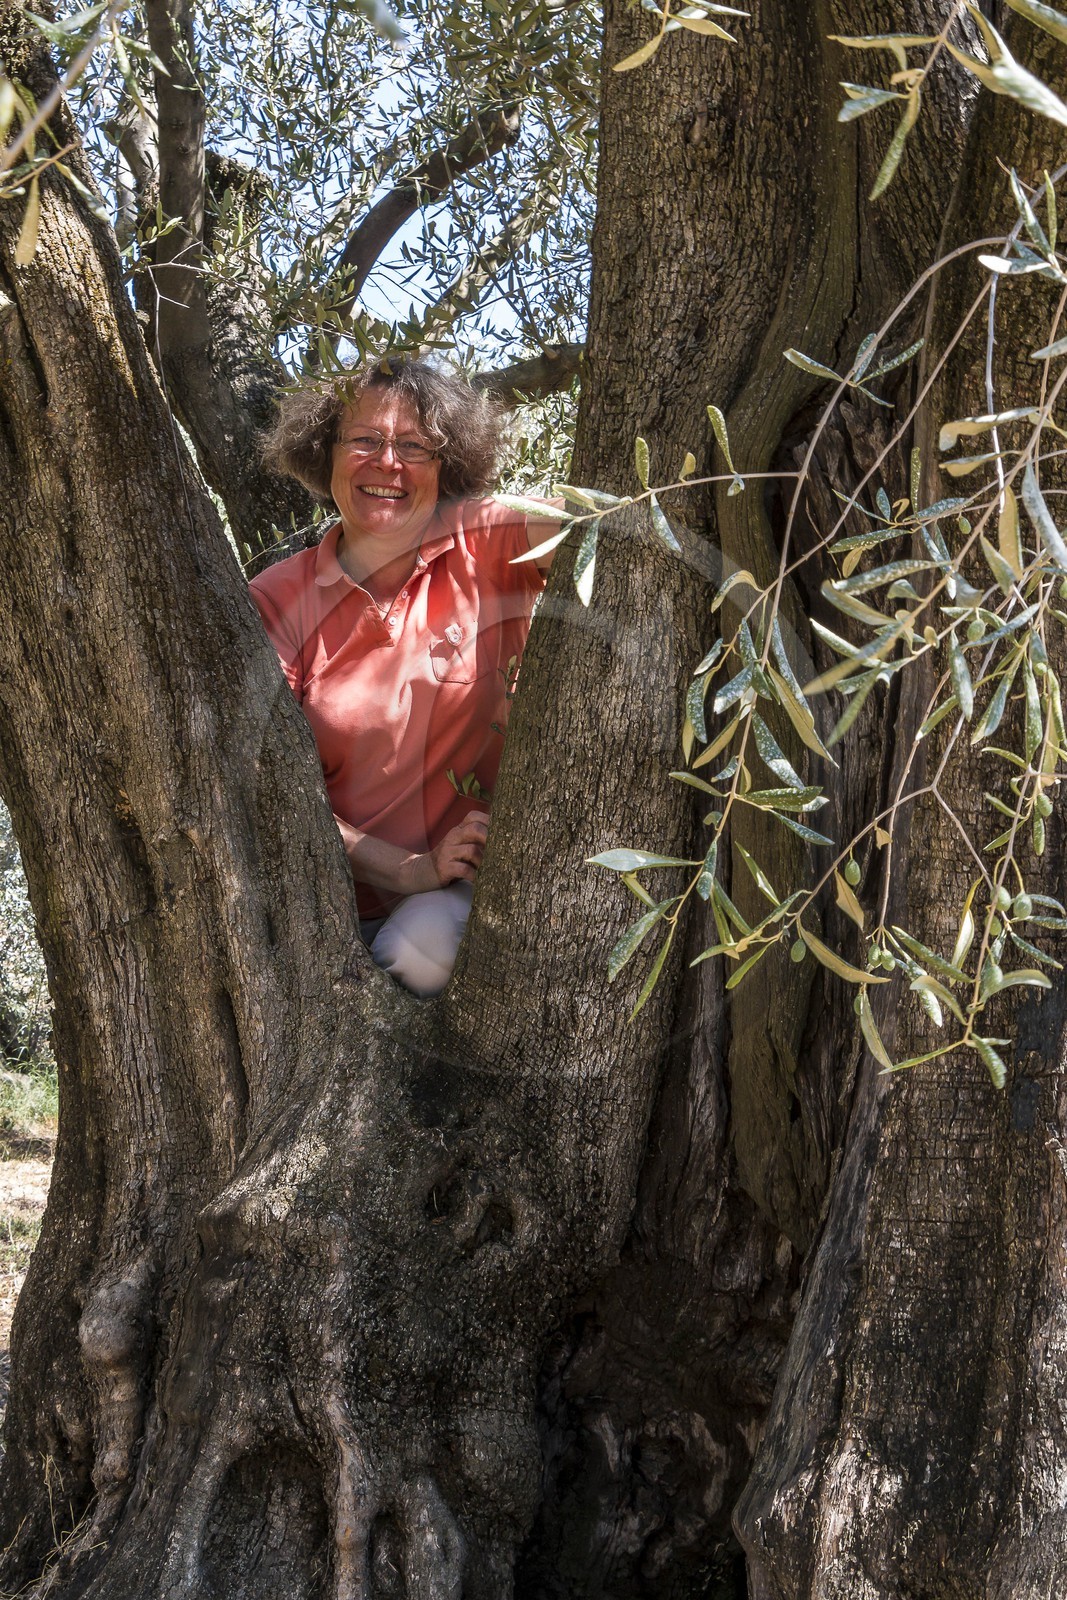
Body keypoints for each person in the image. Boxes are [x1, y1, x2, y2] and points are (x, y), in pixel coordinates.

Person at [250, 356, 562, 997]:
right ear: (324, 453)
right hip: (320, 906)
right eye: (364, 439)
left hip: (454, 902)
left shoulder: (486, 539)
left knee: (420, 950)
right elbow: (269, 793)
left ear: (448, 466)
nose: (387, 463)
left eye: (414, 446)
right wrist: (409, 867)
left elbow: (593, 526)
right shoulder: (276, 600)